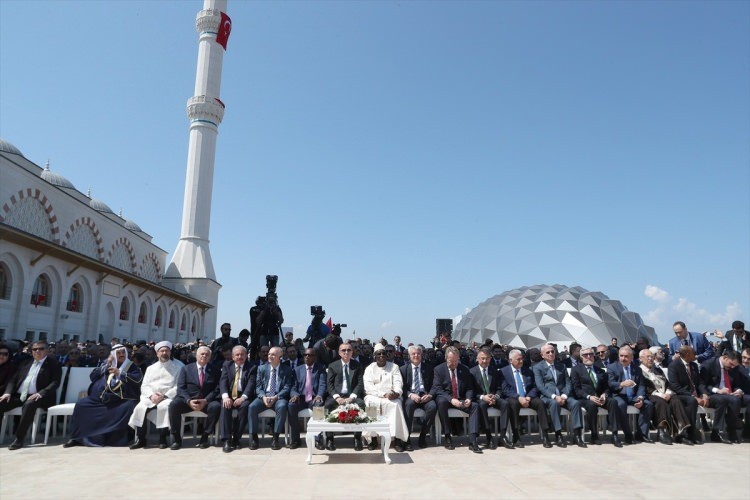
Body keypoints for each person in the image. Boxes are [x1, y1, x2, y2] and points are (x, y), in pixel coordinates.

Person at [64, 344, 143, 447]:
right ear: (113, 355)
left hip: (120, 400)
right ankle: (76, 438)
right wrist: (107, 364)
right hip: (98, 399)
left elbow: (138, 379)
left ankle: (113, 440)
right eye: (118, 353)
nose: (121, 355)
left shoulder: (131, 366)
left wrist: (120, 373)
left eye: (123, 352)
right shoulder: (107, 364)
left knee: (129, 406)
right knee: (81, 405)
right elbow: (93, 377)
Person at [0, 340, 62, 450]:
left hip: (40, 397)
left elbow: (55, 382)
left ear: (47, 350)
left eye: (41, 348)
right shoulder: (25, 362)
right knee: (1, 402)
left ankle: (19, 439)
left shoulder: (53, 364)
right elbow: (13, 380)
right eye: (34, 349)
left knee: (29, 403)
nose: (37, 351)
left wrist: (41, 393)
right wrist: (7, 392)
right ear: (31, 351)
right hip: (20, 396)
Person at [128, 341, 183, 449]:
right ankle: (141, 439)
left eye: (166, 350)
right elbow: (144, 386)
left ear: (170, 352)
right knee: (140, 407)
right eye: (161, 351)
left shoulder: (179, 366)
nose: (164, 353)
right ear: (157, 353)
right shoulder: (150, 368)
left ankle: (163, 438)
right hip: (152, 396)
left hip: (168, 397)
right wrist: (151, 396)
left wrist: (164, 396)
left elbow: (178, 386)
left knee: (164, 407)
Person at [167, 345, 221, 450]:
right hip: (188, 401)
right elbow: (181, 388)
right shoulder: (186, 369)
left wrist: (206, 400)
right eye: (202, 354)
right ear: (196, 355)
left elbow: (217, 389)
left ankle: (205, 437)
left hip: (206, 401)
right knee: (173, 405)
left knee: (216, 407)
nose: (204, 356)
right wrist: (188, 401)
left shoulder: (215, 370)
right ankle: (176, 438)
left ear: (210, 357)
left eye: (207, 354)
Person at [431, 346, 481, 453]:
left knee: (475, 406)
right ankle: (448, 436)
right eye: (451, 361)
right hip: (447, 399)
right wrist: (451, 399)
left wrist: (468, 398)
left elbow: (469, 387)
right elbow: (438, 389)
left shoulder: (465, 369)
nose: (453, 363)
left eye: (455, 361)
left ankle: (473, 440)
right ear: (446, 359)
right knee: (441, 402)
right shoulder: (438, 369)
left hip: (461, 398)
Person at [533, 343, 583, 448]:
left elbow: (568, 382)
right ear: (542, 355)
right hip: (548, 397)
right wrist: (554, 397)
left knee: (575, 403)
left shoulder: (561, 365)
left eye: (552, 351)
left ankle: (577, 434)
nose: (551, 353)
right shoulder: (538, 367)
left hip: (563, 395)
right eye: (548, 352)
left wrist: (564, 395)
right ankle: (558, 434)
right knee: (554, 404)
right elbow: (540, 386)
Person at [638, 348, 691, 445]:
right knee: (660, 402)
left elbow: (667, 383)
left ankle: (680, 433)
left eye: (652, 357)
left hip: (664, 393)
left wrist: (668, 393)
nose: (650, 359)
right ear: (641, 359)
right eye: (648, 357)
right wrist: (661, 395)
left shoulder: (657, 370)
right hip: (651, 395)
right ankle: (662, 431)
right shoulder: (639, 371)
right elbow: (644, 388)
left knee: (676, 400)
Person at [362, 344, 409, 452]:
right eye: (379, 353)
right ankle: (372, 439)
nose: (382, 355)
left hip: (391, 396)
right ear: (375, 356)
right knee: (370, 403)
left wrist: (396, 393)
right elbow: (368, 387)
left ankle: (397, 439)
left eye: (384, 353)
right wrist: (383, 395)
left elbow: (398, 383)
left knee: (396, 404)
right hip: (374, 395)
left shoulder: (394, 367)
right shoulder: (369, 368)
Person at [247, 346, 294, 450]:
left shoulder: (287, 369)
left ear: (280, 357)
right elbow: (258, 387)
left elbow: (287, 387)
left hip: (279, 396)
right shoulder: (261, 368)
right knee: (252, 407)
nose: (269, 356)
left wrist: (276, 397)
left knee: (282, 406)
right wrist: (263, 397)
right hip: (264, 396)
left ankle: (275, 438)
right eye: (269, 354)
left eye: (273, 354)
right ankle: (254, 437)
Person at [501, 349, 549, 448]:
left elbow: (534, 386)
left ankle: (545, 435)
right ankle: (516, 436)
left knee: (540, 403)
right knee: (513, 404)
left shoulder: (527, 370)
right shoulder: (504, 371)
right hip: (513, 397)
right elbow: (505, 389)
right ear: (510, 360)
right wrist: (518, 397)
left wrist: (529, 397)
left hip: (528, 396)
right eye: (518, 359)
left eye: (522, 359)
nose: (521, 361)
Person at [607, 346, 654, 445]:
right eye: (621, 356)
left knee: (648, 404)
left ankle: (641, 434)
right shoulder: (612, 367)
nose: (623, 358)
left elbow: (641, 385)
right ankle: (628, 434)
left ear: (631, 357)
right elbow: (610, 384)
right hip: (619, 395)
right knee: (621, 405)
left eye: (626, 356)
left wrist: (640, 398)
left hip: (633, 396)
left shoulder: (637, 369)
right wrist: (621, 384)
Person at [324, 342, 365, 451]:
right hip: (338, 396)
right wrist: (337, 397)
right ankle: (330, 438)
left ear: (352, 352)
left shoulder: (357, 365)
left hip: (352, 395)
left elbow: (360, 383)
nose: (346, 352)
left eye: (348, 350)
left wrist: (352, 397)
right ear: (339, 352)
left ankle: (357, 437)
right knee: (327, 405)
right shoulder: (333, 365)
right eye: (343, 350)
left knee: (361, 404)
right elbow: (330, 384)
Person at [470, 347, 513, 450]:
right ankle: (489, 436)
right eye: (482, 358)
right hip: (481, 399)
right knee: (481, 406)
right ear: (477, 359)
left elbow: (499, 388)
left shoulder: (495, 371)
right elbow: (471, 391)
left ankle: (502, 436)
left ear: (490, 358)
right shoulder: (472, 372)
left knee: (505, 404)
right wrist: (482, 397)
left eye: (487, 358)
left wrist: (495, 396)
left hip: (493, 397)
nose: (485, 361)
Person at [570, 346, 613, 446]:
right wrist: (589, 397)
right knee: (592, 405)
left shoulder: (600, 370)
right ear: (581, 357)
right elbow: (577, 389)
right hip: (584, 399)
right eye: (585, 355)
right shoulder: (576, 370)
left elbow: (606, 387)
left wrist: (604, 394)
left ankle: (614, 433)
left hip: (599, 398)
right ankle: (594, 435)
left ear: (594, 356)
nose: (589, 357)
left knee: (613, 402)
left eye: (591, 354)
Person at [667, 345, 709, 445]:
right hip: (679, 395)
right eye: (694, 353)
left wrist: (704, 394)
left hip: (693, 395)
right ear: (687, 354)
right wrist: (693, 396)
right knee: (691, 401)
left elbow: (700, 383)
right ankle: (689, 432)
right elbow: (675, 386)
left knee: (695, 400)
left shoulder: (693, 365)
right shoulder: (674, 365)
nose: (696, 355)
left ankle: (691, 432)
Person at [701, 350, 743, 444]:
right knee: (722, 399)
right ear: (725, 358)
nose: (732, 367)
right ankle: (716, 431)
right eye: (731, 364)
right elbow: (702, 384)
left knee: (736, 400)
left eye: (734, 366)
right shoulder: (708, 364)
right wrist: (718, 390)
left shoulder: (734, 367)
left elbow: (736, 384)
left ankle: (732, 431)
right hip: (711, 394)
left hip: (729, 394)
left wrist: (739, 391)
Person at [219, 345, 256, 452]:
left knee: (244, 407)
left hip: (243, 395)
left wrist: (243, 398)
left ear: (246, 356)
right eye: (237, 355)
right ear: (233, 356)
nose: (240, 357)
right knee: (225, 406)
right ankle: (226, 440)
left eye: (242, 354)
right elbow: (223, 382)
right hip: (229, 395)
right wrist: (225, 397)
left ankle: (236, 438)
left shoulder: (252, 367)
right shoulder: (227, 365)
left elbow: (251, 384)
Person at [287, 347, 326, 449]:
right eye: (305, 355)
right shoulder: (297, 370)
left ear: (315, 357)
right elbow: (293, 387)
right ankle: (295, 439)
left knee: (319, 405)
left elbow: (322, 385)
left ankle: (318, 439)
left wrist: (319, 396)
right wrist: (294, 395)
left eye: (310, 355)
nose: (307, 357)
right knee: (291, 405)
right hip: (301, 398)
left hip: (314, 398)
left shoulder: (320, 368)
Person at [400, 345, 437, 449]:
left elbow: (435, 386)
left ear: (422, 355)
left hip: (425, 396)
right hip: (411, 396)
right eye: (413, 354)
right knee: (409, 405)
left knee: (433, 406)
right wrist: (411, 395)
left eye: (418, 353)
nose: (416, 355)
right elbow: (401, 388)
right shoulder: (403, 369)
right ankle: (406, 439)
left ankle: (423, 436)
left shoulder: (429, 368)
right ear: (409, 356)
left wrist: (430, 395)